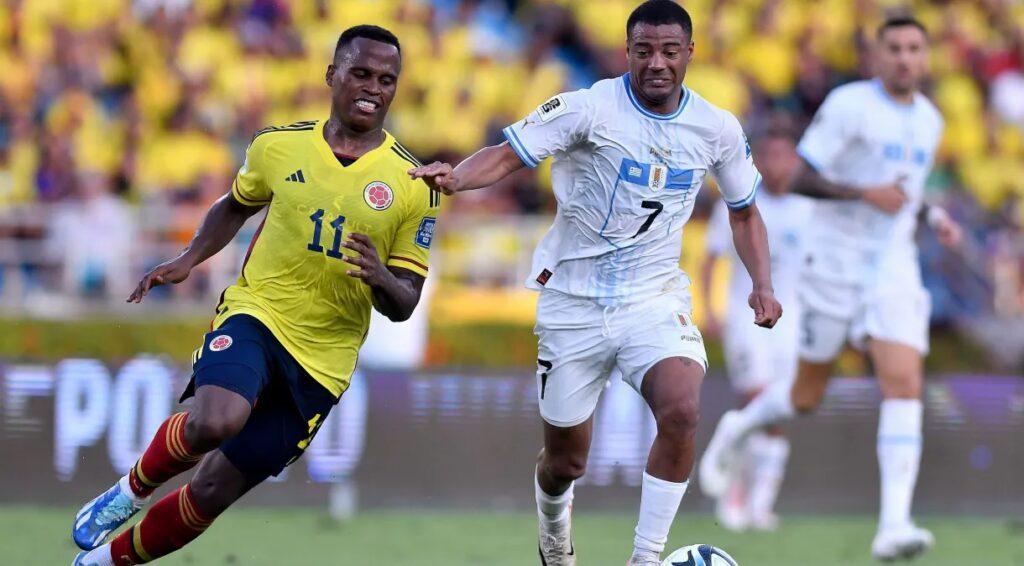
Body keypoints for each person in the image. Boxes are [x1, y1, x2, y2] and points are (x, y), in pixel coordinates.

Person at [410, 2, 781, 564]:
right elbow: (509, 154)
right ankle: (554, 528)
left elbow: (746, 211)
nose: (657, 62)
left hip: (653, 299)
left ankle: (645, 556)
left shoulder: (717, 128)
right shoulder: (588, 108)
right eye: (644, 50)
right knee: (565, 464)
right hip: (572, 303)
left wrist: (762, 283)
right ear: (626, 51)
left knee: (681, 409)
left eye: (669, 51)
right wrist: (457, 178)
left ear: (690, 54)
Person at [72, 25, 440, 565]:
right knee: (216, 420)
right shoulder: (277, 145)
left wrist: (381, 276)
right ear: (331, 74)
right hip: (258, 313)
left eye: (387, 80)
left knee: (212, 491)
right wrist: (188, 258)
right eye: (361, 73)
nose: (373, 88)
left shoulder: (414, 183)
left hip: (322, 362)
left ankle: (103, 562)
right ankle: (129, 491)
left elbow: (405, 302)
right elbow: (235, 204)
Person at [698, 16, 962, 561]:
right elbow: (800, 178)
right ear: (877, 55)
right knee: (805, 396)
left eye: (915, 49)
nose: (906, 58)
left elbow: (904, 195)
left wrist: (933, 216)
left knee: (903, 381)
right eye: (895, 49)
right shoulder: (848, 106)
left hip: (892, 266)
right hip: (833, 263)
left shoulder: (931, 121)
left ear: (927, 57)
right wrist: (864, 194)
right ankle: (740, 425)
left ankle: (893, 524)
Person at [698, 130, 810, 532]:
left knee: (779, 410)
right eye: (773, 155)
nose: (781, 164)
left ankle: (761, 506)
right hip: (746, 318)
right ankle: (734, 496)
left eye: (787, 155)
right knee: (756, 399)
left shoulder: (808, 208)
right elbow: (710, 259)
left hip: (794, 323)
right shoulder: (740, 199)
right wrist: (708, 308)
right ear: (760, 160)